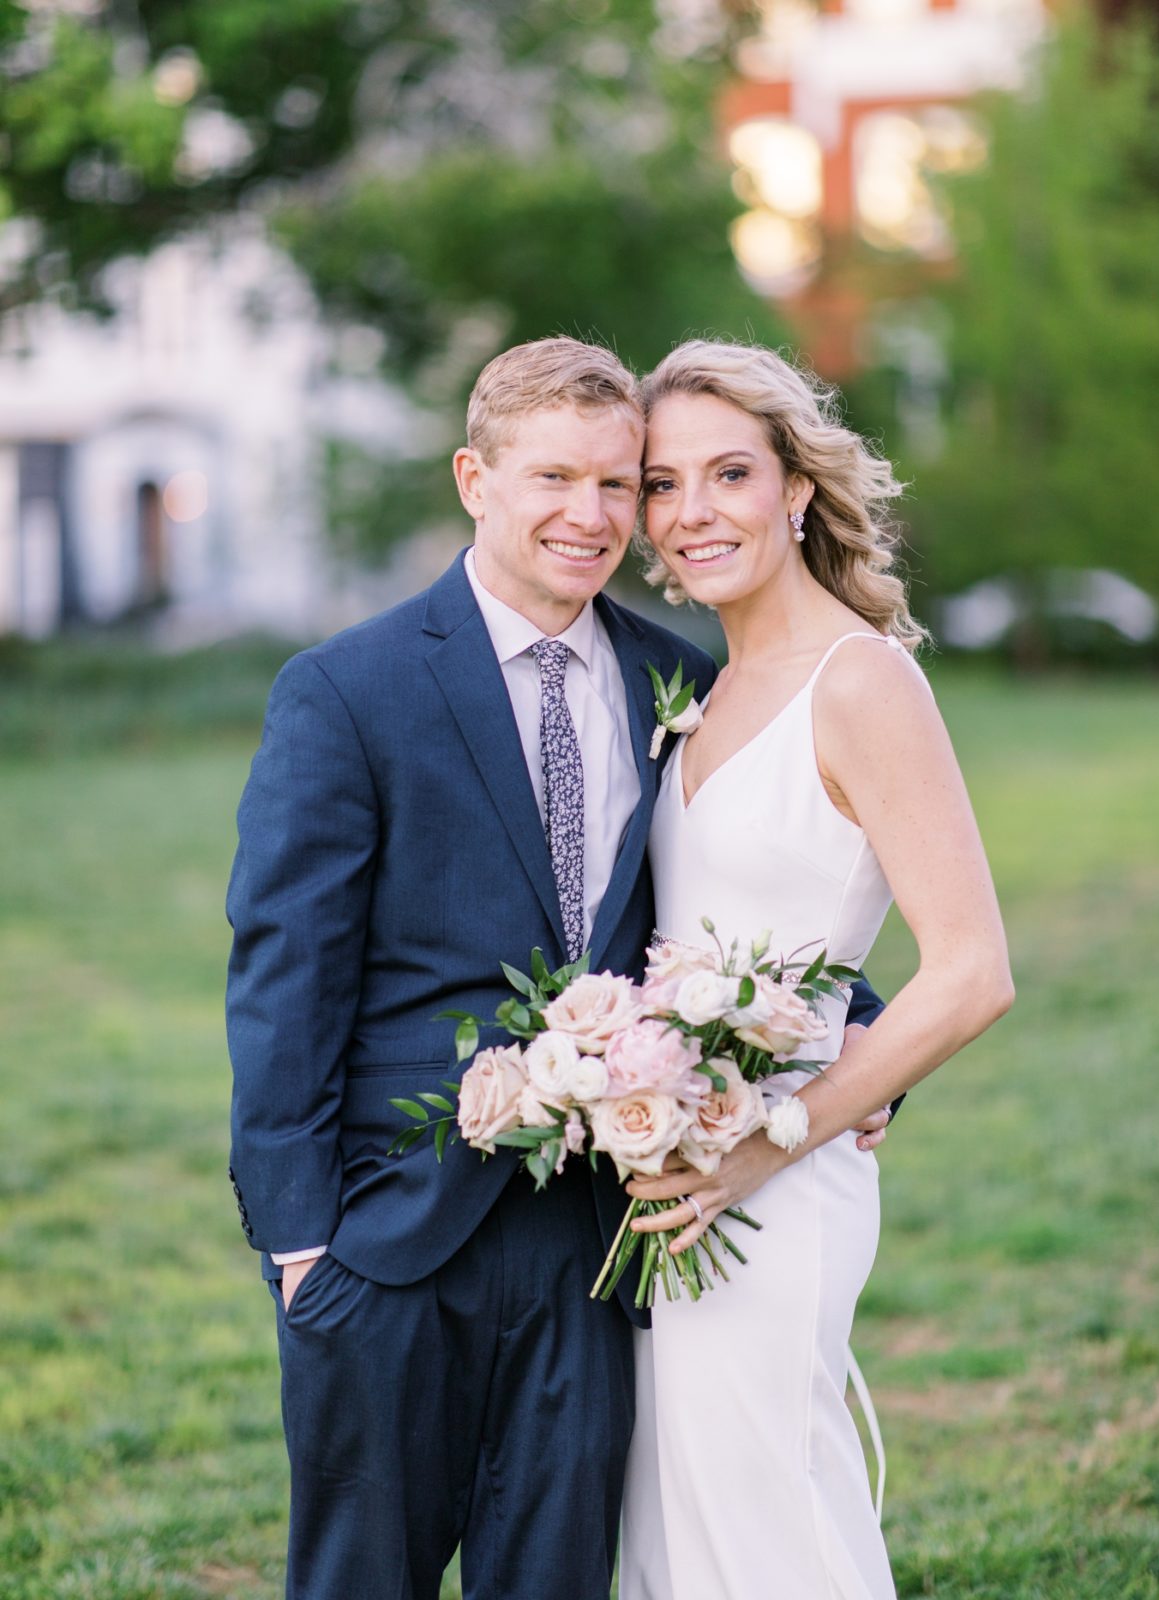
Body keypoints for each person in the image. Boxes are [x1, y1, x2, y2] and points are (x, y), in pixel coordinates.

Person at [225, 336, 892, 1600]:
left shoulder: (677, 680)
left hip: (593, 1241)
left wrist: (852, 1039)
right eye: (553, 480)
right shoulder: (346, 691)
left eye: (617, 482)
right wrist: (303, 1250)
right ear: (477, 479)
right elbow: (282, 982)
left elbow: (733, 901)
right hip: (387, 1233)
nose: (589, 516)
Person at [618, 339, 1014, 1600]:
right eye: (665, 484)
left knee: (767, 1518)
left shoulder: (862, 683)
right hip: (674, 1170)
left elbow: (970, 971)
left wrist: (767, 1140)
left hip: (775, 1183)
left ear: (795, 487)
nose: (693, 513)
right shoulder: (707, 687)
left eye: (729, 472)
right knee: (681, 1521)